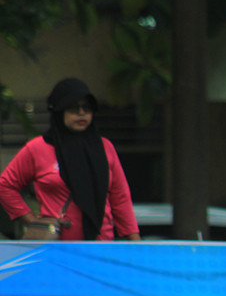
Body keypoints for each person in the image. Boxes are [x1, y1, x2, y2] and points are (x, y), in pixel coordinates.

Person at [0, 78, 140, 241]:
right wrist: (32, 221)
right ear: (59, 111)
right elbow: (5, 186)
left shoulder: (104, 147)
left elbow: (120, 197)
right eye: (74, 108)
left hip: (101, 247)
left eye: (87, 108)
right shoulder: (38, 148)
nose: (81, 113)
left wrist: (136, 243)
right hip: (56, 248)